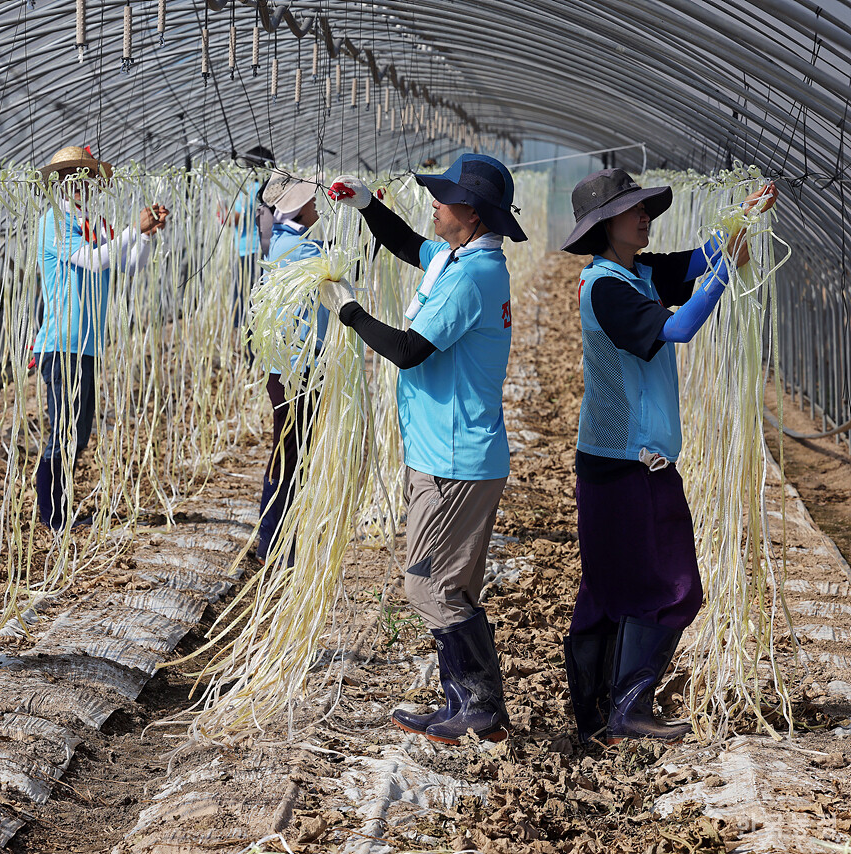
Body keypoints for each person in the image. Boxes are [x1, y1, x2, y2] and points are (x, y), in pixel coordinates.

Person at [559, 168, 777, 744]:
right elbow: (679, 328)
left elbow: (701, 257)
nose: (645, 216)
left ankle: (600, 714)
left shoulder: (641, 271)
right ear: (605, 225)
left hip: (620, 458)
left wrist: (745, 216)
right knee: (674, 584)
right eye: (633, 210)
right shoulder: (606, 287)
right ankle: (626, 708)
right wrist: (727, 272)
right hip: (628, 460)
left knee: (611, 585)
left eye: (646, 207)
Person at [324, 154, 527, 744]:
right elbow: (409, 243)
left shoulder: (471, 278)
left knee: (427, 586)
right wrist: (366, 203)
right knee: (450, 586)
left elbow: (411, 350)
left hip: (455, 460)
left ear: (470, 212)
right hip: (449, 452)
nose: (434, 204)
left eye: (443, 197)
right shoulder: (462, 259)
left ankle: (479, 704)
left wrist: (348, 311)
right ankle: (469, 704)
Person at [31, 145, 168, 530]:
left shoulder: (98, 227)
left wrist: (147, 236)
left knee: (80, 430)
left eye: (87, 177)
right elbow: (92, 261)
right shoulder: (52, 224)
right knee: (63, 430)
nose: (81, 184)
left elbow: (131, 265)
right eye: (73, 176)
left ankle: (59, 507)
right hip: (59, 344)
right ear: (58, 182)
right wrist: (132, 230)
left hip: (87, 345)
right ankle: (52, 516)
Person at [254, 170, 329, 564]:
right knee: (288, 454)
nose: (318, 206)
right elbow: (343, 266)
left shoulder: (287, 242)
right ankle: (275, 544)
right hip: (296, 371)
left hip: (288, 368)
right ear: (300, 206)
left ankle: (278, 541)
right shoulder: (300, 251)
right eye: (314, 201)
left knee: (289, 452)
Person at [225, 145, 275, 326]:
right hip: (267, 250)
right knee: (262, 296)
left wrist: (219, 209)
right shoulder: (270, 189)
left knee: (247, 296)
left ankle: (250, 348)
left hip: (248, 253)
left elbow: (232, 220)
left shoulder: (249, 190)